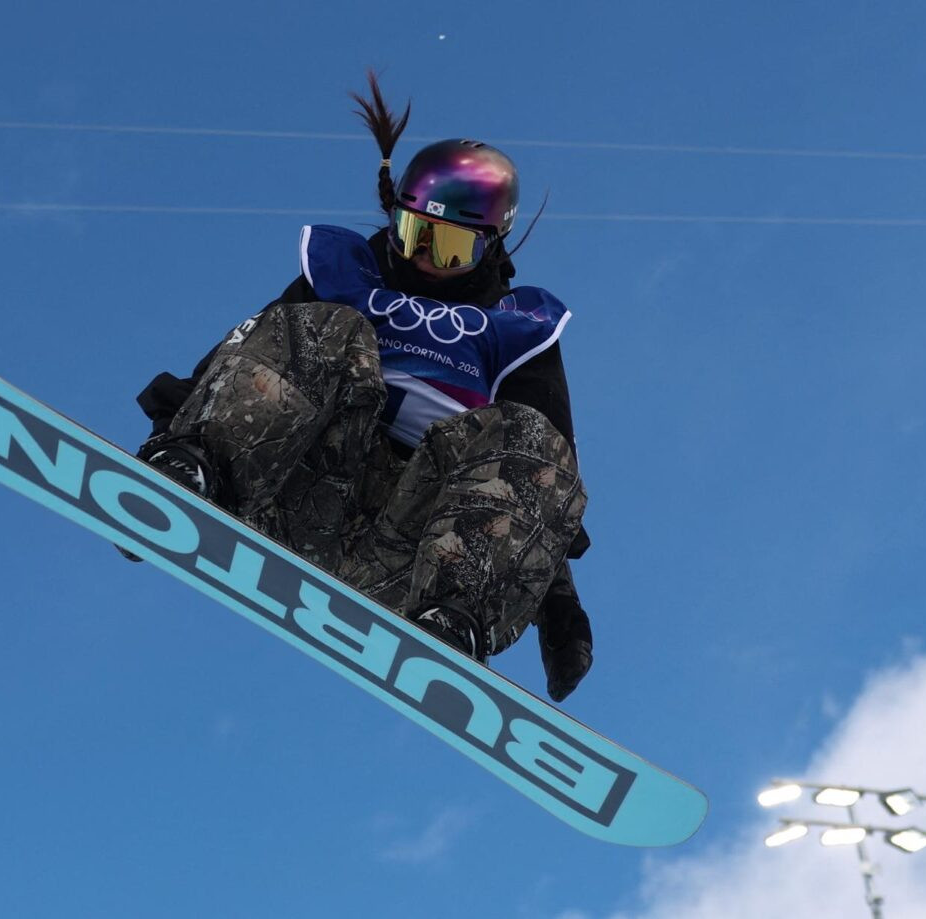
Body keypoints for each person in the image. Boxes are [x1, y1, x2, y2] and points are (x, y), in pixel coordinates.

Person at [127, 74, 595, 702]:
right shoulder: (347, 276)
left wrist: (557, 603)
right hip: (295, 488)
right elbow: (253, 352)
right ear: (395, 217)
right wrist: (170, 440)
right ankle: (198, 473)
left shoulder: (518, 329)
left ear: (491, 246)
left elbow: (542, 464)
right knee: (326, 328)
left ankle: (453, 619)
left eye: (451, 247)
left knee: (517, 428)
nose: (427, 258)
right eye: (415, 235)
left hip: (418, 546)